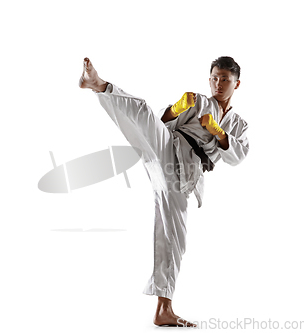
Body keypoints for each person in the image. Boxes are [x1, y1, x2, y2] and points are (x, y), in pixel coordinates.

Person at [79, 56, 249, 327]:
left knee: (174, 238)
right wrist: (177, 108)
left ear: (236, 83)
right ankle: (99, 85)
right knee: (143, 112)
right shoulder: (200, 101)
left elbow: (238, 155)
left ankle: (163, 309)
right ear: (209, 79)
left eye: (225, 79)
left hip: (182, 175)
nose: (218, 83)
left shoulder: (238, 123)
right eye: (215, 78)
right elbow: (159, 122)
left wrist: (217, 132)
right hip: (168, 146)